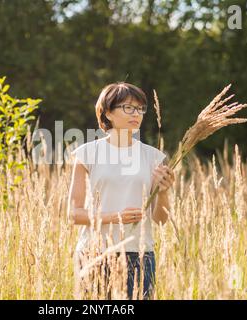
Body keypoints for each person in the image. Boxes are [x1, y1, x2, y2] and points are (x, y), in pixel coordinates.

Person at [68, 82, 175, 300]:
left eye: (140, 109)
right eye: (128, 108)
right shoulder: (87, 154)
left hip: (140, 254)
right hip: (94, 253)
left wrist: (163, 192)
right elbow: (74, 214)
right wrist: (116, 218)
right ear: (107, 113)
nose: (136, 114)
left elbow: (161, 219)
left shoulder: (154, 157)